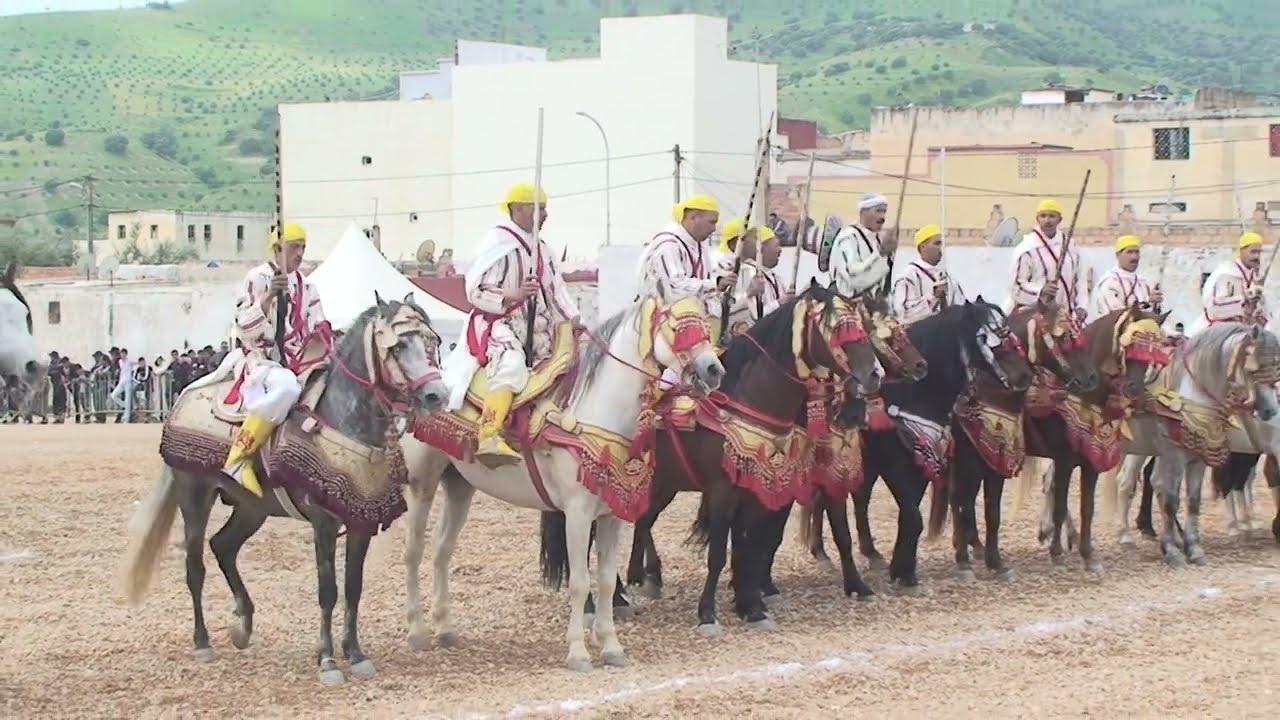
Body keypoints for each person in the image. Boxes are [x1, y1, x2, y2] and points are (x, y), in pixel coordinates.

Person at [443, 182, 580, 467]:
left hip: (538, 329)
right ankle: (489, 433)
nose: (545, 215)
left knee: (566, 364)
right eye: (539, 209)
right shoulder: (498, 245)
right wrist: (513, 294)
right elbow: (475, 289)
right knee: (512, 364)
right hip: (498, 323)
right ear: (518, 209)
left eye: (545, 209)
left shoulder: (544, 250)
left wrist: (574, 321)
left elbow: (558, 292)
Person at [220, 222, 330, 497]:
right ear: (277, 249)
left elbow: (319, 326)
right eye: (295, 247)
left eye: (303, 248)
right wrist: (268, 297)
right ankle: (240, 455)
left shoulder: (309, 287)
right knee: (287, 388)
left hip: (301, 361)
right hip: (262, 361)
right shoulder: (255, 278)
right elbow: (243, 327)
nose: (300, 253)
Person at [636, 194, 737, 321]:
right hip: (661, 320)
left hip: (693, 316)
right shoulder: (668, 246)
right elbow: (674, 288)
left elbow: (713, 270)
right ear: (693, 218)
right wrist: (715, 284)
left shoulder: (700, 244)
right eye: (711, 222)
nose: (714, 229)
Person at [1005, 198, 1087, 322]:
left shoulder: (1069, 246)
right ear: (1038, 219)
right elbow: (1017, 284)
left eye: (1052, 216)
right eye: (1043, 216)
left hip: (1066, 314)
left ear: (1059, 219)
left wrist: (1082, 306)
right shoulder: (1027, 248)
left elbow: (1080, 280)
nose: (1047, 220)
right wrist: (1041, 290)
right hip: (1033, 313)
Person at [1189, 231, 1268, 335]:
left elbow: (1261, 308)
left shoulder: (1254, 277)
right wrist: (1244, 301)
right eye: (1253, 252)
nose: (1256, 256)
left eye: (1259, 252)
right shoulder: (1227, 273)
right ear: (1242, 251)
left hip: (1247, 327)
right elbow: (1215, 308)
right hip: (1220, 328)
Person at [821, 193, 897, 298]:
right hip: (846, 302)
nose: (882, 217)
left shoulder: (879, 239)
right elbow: (855, 279)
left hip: (874, 305)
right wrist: (879, 254)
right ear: (863, 212)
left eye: (884, 212)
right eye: (878, 211)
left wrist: (888, 256)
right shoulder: (848, 238)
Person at [719, 217, 786, 329]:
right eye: (754, 238)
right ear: (738, 244)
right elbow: (739, 313)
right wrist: (779, 304)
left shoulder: (770, 275)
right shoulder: (732, 272)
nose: (758, 243)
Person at [892, 224, 965, 325]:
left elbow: (961, 308)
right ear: (922, 247)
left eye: (941, 244)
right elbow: (903, 316)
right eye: (936, 244)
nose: (941, 249)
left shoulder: (947, 278)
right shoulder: (909, 277)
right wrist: (933, 297)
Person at [1092, 235, 1163, 316]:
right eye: (1129, 252)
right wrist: (1148, 302)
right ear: (1118, 255)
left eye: (1137, 252)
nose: (1134, 257)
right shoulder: (1109, 283)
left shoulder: (1143, 283)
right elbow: (1116, 314)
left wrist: (1154, 304)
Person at [110, 348, 135, 423]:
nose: (122, 355)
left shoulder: (129, 361)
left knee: (128, 398)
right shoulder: (120, 361)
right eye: (121, 354)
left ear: (126, 354)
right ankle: (125, 405)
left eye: (124, 354)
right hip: (122, 381)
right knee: (113, 395)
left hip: (128, 381)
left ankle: (126, 418)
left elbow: (136, 364)